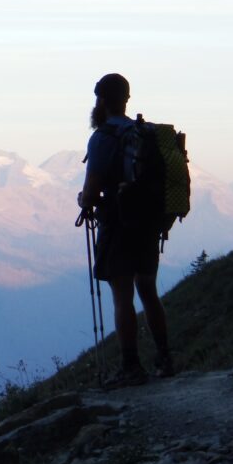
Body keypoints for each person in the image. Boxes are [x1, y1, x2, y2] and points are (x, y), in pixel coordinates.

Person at [80, 73, 174, 387]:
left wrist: (85, 200)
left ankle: (131, 366)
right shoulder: (144, 133)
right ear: (127, 99)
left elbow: (91, 192)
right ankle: (165, 358)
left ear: (102, 100)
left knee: (122, 295)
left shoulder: (102, 137)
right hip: (148, 223)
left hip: (118, 223)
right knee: (148, 290)